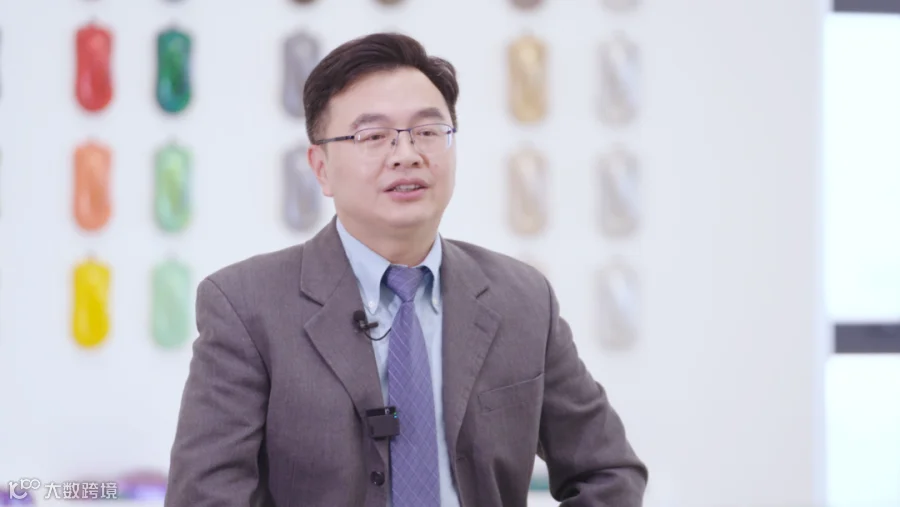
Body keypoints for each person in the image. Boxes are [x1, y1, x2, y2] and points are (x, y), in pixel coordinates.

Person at [164, 32, 648, 507]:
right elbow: (203, 498)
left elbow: (609, 471)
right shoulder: (246, 306)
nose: (407, 154)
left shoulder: (522, 299)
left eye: (428, 131)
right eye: (373, 136)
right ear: (321, 167)